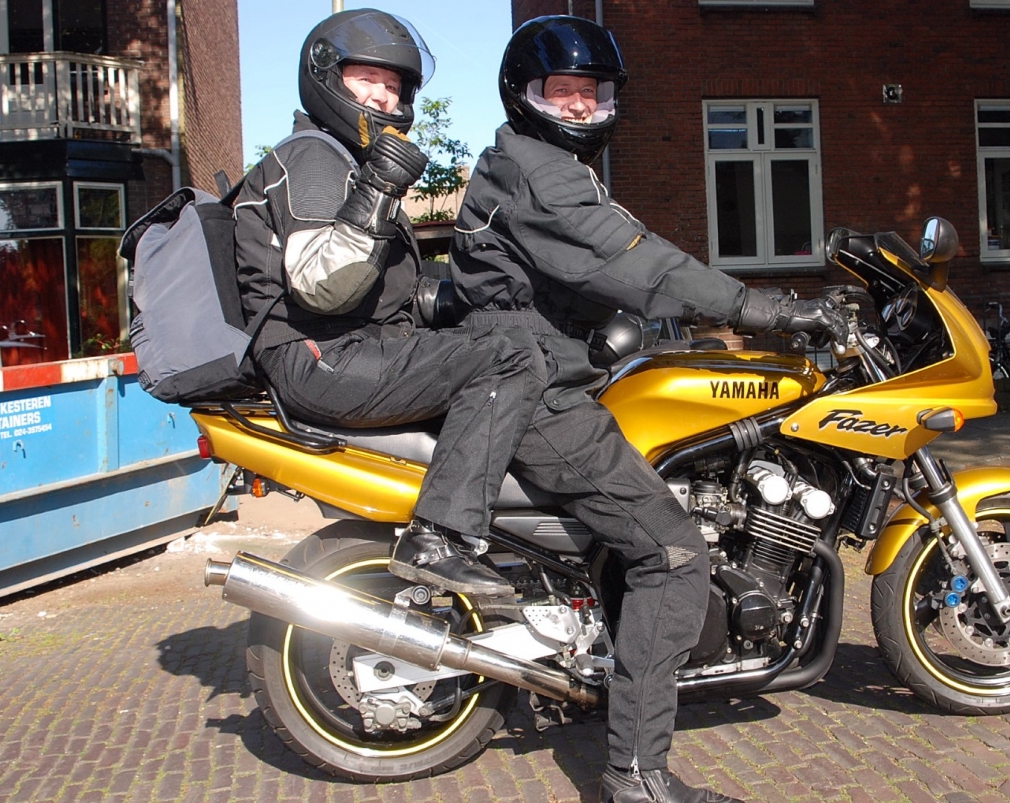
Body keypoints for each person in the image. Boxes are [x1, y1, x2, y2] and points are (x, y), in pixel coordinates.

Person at [448, 15, 848, 803]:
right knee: (674, 554)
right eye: (562, 91)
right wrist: (768, 309)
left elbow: (618, 262)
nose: (580, 106)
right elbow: (639, 263)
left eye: (592, 93)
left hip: (540, 375)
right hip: (539, 395)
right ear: (524, 95)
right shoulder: (540, 174)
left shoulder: (539, 165)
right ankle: (635, 775)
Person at [233, 9, 547, 597]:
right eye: (368, 79)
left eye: (394, 85)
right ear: (327, 76)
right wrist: (379, 188)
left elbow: (391, 290)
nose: (384, 97)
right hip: (320, 355)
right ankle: (441, 538)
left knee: (506, 339)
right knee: (508, 357)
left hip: (354, 347)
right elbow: (323, 284)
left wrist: (503, 297)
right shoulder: (313, 157)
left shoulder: (345, 160)